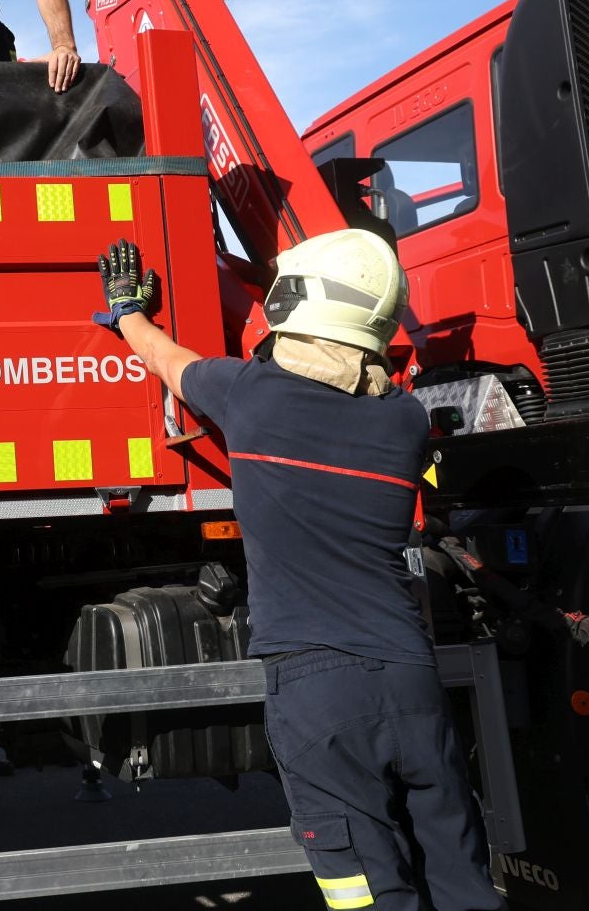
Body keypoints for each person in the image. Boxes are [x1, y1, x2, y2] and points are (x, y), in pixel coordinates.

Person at [94, 233, 504, 911]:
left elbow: (167, 360)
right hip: (410, 678)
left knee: (368, 893)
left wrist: (127, 310)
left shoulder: (250, 395)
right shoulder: (403, 420)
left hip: (317, 689)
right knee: (464, 885)